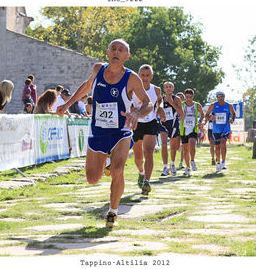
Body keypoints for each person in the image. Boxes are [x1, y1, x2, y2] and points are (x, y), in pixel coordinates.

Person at [56, 39, 153, 228]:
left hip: (121, 130)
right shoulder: (98, 69)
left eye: (121, 50)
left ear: (127, 55)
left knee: (118, 170)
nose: (116, 52)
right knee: (92, 178)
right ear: (107, 52)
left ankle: (113, 213)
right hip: (98, 130)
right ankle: (107, 162)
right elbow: (86, 87)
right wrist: (67, 105)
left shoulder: (132, 78)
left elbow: (148, 103)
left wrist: (136, 113)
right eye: (113, 49)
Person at [132, 64, 164, 195]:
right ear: (138, 75)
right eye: (142, 75)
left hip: (150, 122)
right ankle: (141, 173)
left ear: (151, 76)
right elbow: (126, 102)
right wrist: (132, 110)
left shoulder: (156, 89)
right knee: (138, 157)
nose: (145, 78)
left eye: (147, 75)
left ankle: (147, 181)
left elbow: (160, 100)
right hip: (136, 123)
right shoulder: (132, 88)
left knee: (149, 151)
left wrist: (160, 107)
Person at [205, 91, 236, 172]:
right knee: (217, 146)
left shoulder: (229, 105)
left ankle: (223, 162)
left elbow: (233, 114)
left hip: (225, 128)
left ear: (224, 97)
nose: (220, 98)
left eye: (222, 96)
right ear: (216, 97)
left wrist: (232, 119)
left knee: (223, 143)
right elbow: (206, 115)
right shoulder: (213, 105)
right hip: (216, 129)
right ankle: (218, 162)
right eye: (218, 96)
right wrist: (211, 117)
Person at [158, 82, 183, 176]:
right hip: (163, 123)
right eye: (166, 87)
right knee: (164, 145)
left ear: (173, 88)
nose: (168, 88)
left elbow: (181, 112)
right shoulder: (161, 99)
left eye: (170, 87)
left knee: (173, 147)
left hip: (173, 124)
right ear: (164, 89)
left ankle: (172, 163)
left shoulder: (177, 99)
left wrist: (172, 103)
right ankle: (165, 167)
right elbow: (157, 110)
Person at [179, 88, 205, 175]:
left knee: (192, 144)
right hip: (183, 129)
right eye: (187, 97)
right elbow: (177, 114)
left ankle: (192, 160)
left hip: (193, 128)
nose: (188, 99)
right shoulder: (181, 105)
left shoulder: (197, 105)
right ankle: (187, 167)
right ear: (185, 97)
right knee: (185, 149)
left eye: (190, 97)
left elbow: (202, 114)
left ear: (193, 97)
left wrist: (200, 121)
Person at [175, 92, 186, 170]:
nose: (180, 99)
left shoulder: (186, 106)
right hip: (175, 128)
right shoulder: (173, 106)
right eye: (178, 97)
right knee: (176, 146)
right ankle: (173, 161)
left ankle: (181, 162)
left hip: (184, 127)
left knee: (183, 146)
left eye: (181, 97)